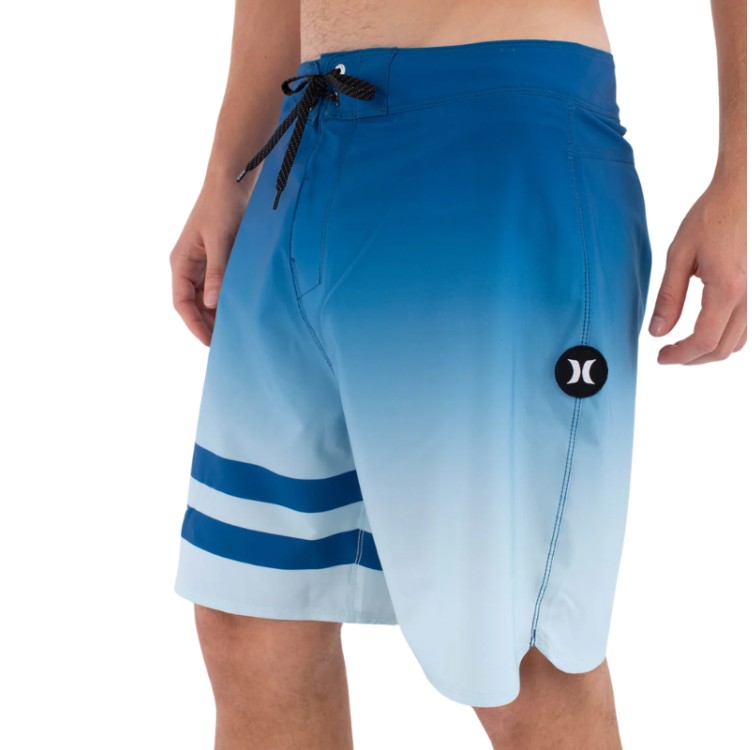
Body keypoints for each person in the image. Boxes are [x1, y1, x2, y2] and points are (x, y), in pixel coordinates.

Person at [168, 1, 747, 747]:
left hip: (497, 141)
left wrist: (741, 176)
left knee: (526, 658)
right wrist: (228, 168)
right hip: (306, 145)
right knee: (252, 618)